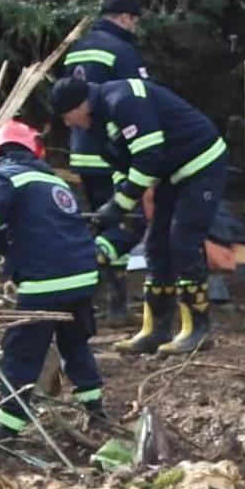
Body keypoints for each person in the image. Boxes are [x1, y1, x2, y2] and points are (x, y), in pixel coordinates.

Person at [50, 75, 227, 355]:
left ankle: (198, 329)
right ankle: (155, 330)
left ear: (81, 104)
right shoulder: (94, 124)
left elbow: (149, 156)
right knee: (156, 247)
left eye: (67, 115)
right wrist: (119, 199)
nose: (67, 123)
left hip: (201, 162)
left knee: (182, 242)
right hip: (171, 174)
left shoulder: (124, 100)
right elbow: (123, 162)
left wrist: (120, 204)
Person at [0, 120, 107, 440]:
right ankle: (95, 409)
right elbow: (38, 228)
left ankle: (6, 429)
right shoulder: (52, 181)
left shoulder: (6, 175)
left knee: (21, 352)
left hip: (45, 282)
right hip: (82, 276)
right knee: (74, 342)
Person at [63, 0, 149, 324]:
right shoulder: (122, 50)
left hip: (82, 153)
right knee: (132, 224)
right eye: (135, 21)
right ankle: (94, 263)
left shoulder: (76, 49)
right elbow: (139, 100)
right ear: (126, 18)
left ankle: (114, 306)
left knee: (106, 222)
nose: (136, 28)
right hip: (113, 154)